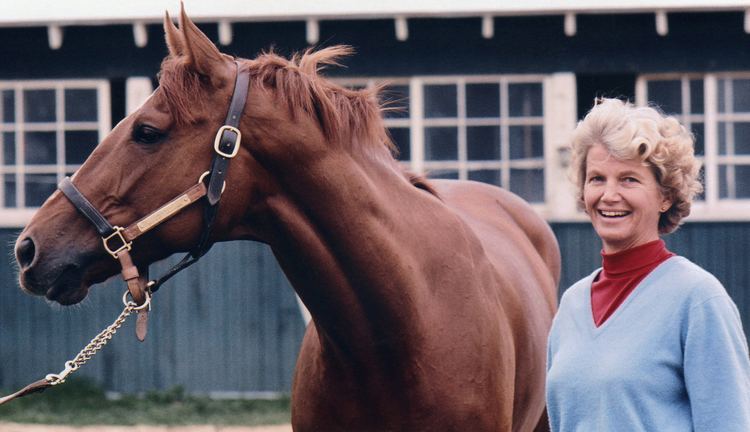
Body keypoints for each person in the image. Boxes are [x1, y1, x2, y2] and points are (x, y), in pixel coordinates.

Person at [546, 97, 750, 431]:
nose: (609, 195)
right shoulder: (570, 305)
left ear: (665, 196)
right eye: (597, 178)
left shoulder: (698, 300)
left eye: (629, 179)